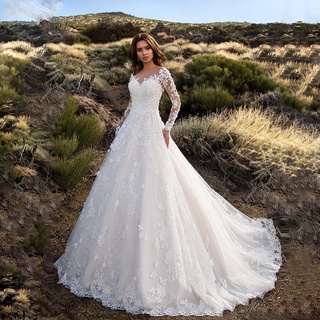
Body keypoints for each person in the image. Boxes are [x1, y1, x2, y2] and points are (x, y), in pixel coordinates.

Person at [54, 33, 282, 317]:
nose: (143, 52)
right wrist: (122, 122)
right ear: (135, 53)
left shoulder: (162, 73)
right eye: (139, 49)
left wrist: (167, 129)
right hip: (130, 134)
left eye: (147, 48)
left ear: (154, 49)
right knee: (121, 189)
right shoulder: (135, 73)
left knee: (158, 187)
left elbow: (176, 102)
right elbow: (131, 102)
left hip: (152, 132)